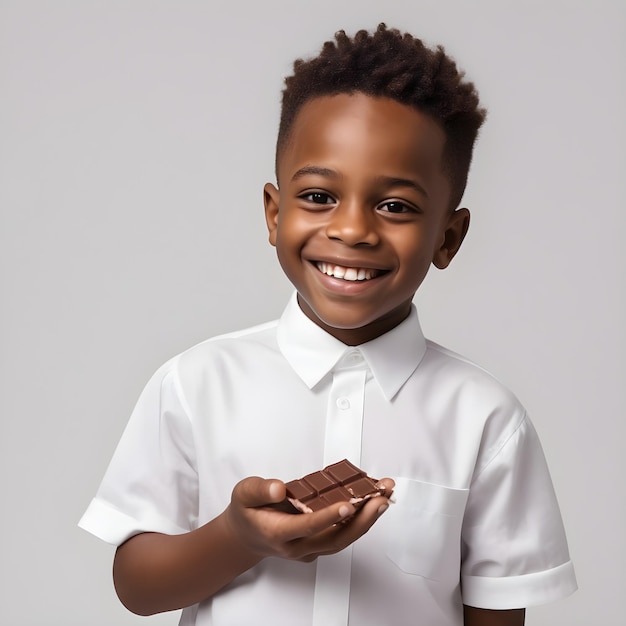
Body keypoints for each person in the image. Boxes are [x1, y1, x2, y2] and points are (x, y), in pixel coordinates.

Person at [79, 24, 577, 626]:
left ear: (448, 236)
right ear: (274, 211)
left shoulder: (486, 417)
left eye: (395, 206)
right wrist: (240, 537)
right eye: (318, 196)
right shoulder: (194, 383)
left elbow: (495, 612)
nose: (352, 230)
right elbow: (138, 589)